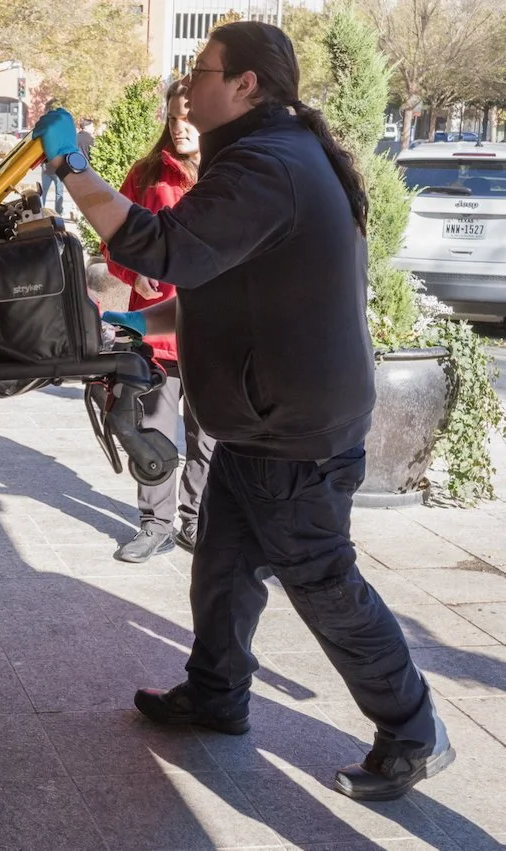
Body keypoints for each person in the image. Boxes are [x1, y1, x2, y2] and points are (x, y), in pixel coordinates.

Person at [32, 21, 453, 800]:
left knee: (324, 583)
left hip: (293, 427)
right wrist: (141, 326)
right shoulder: (273, 155)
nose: (190, 85)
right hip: (266, 418)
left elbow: (160, 248)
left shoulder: (267, 165)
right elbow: (231, 292)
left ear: (247, 85)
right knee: (222, 568)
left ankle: (414, 728)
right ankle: (217, 694)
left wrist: (71, 166)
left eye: (204, 70)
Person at [100, 80, 216, 563]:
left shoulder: (226, 176)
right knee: (153, 433)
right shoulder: (146, 175)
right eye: (172, 119)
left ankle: (196, 520)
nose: (180, 128)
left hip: (212, 333)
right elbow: (113, 242)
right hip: (157, 338)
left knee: (210, 439)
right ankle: (154, 524)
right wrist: (134, 272)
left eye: (188, 118)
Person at [39, 100, 93, 218]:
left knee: (45, 191)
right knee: (59, 192)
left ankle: (41, 211)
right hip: (62, 169)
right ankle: (58, 211)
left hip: (50, 169)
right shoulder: (85, 138)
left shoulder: (52, 135)